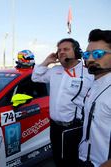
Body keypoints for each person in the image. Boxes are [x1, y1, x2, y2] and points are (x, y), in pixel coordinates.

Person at [31, 38, 94, 167]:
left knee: (72, 161)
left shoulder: (88, 73)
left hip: (75, 128)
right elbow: (35, 77)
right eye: (59, 50)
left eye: (66, 49)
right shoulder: (55, 71)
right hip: (55, 127)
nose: (61, 52)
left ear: (76, 51)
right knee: (57, 159)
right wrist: (47, 61)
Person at [78, 29, 111, 167]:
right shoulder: (94, 83)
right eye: (86, 54)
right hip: (84, 158)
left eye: (98, 54)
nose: (90, 59)